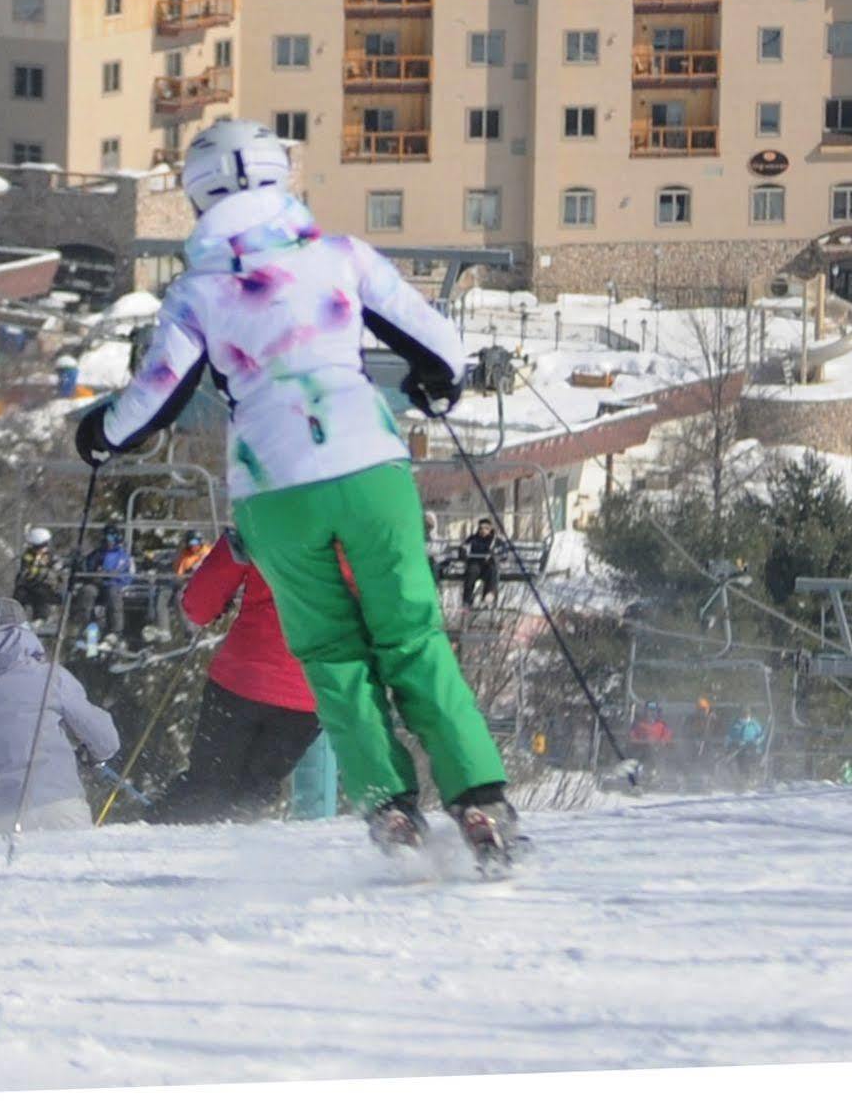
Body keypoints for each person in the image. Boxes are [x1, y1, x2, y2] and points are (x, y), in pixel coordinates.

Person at [75, 120, 520, 870]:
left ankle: (392, 813)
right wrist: (429, 383)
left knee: (332, 657)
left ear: (196, 198)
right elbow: (440, 349)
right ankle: (478, 798)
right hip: (370, 469)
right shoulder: (341, 256)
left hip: (273, 492)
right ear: (283, 180)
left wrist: (98, 435)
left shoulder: (199, 292)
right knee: (411, 639)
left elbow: (150, 403)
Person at [151, 535, 323, 825]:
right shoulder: (361, 530)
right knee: (255, 791)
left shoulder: (261, 516)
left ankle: (158, 844)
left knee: (207, 784)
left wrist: (217, 602)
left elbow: (199, 604)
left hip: (244, 678)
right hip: (313, 691)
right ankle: (239, 855)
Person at [0, 597, 119, 832]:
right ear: (27, 632)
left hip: (5, 812)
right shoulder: (54, 678)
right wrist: (93, 756)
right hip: (62, 805)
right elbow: (105, 739)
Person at [73, 524, 134, 649]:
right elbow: (87, 568)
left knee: (112, 594)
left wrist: (111, 576)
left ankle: (115, 632)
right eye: (106, 537)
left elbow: (127, 574)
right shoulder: (96, 554)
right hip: (96, 585)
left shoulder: (122, 556)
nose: (108, 540)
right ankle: (87, 627)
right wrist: (89, 572)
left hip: (113, 585)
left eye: (111, 537)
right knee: (87, 591)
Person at [12, 528, 61, 624]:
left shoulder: (51, 556)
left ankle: (40, 618)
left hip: (46, 586)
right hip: (30, 584)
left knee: (41, 594)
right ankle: (15, 619)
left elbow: (57, 570)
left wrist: (49, 571)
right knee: (20, 593)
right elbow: (25, 571)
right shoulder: (28, 556)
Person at [461, 517, 501, 609]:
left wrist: (494, 555)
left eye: (486, 528)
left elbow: (503, 551)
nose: (483, 530)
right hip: (475, 563)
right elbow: (464, 547)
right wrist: (464, 553)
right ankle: (467, 599)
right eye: (481, 528)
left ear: (490, 529)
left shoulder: (494, 540)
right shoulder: (473, 539)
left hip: (488, 565)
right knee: (472, 572)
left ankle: (488, 597)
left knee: (492, 571)